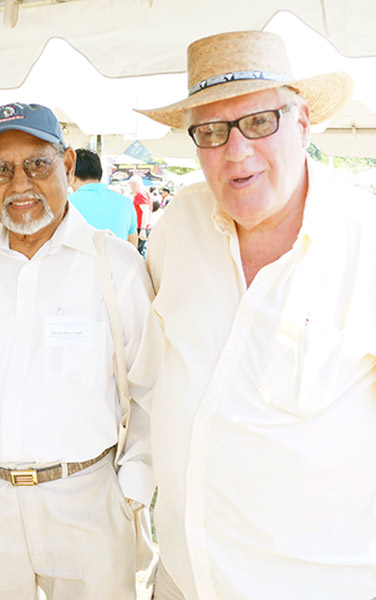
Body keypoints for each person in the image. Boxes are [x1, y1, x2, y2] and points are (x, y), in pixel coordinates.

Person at [134, 30, 376, 599]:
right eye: (212, 132)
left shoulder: (365, 238)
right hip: (181, 582)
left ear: (303, 122)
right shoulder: (177, 226)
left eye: (259, 122)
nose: (236, 152)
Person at [0, 102, 154, 599]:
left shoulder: (114, 265)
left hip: (89, 503)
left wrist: (132, 490)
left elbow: (150, 385)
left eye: (38, 163)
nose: (19, 184)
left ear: (68, 165)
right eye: (0, 169)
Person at [68, 148, 138, 245]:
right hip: (118, 259)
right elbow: (132, 245)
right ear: (99, 174)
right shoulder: (126, 202)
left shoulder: (66, 204)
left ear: (72, 176)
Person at [129, 175, 151, 256]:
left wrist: (142, 229)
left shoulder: (141, 194)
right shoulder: (144, 192)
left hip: (140, 228)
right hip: (142, 227)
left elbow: (145, 212)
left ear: (134, 184)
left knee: (136, 253)